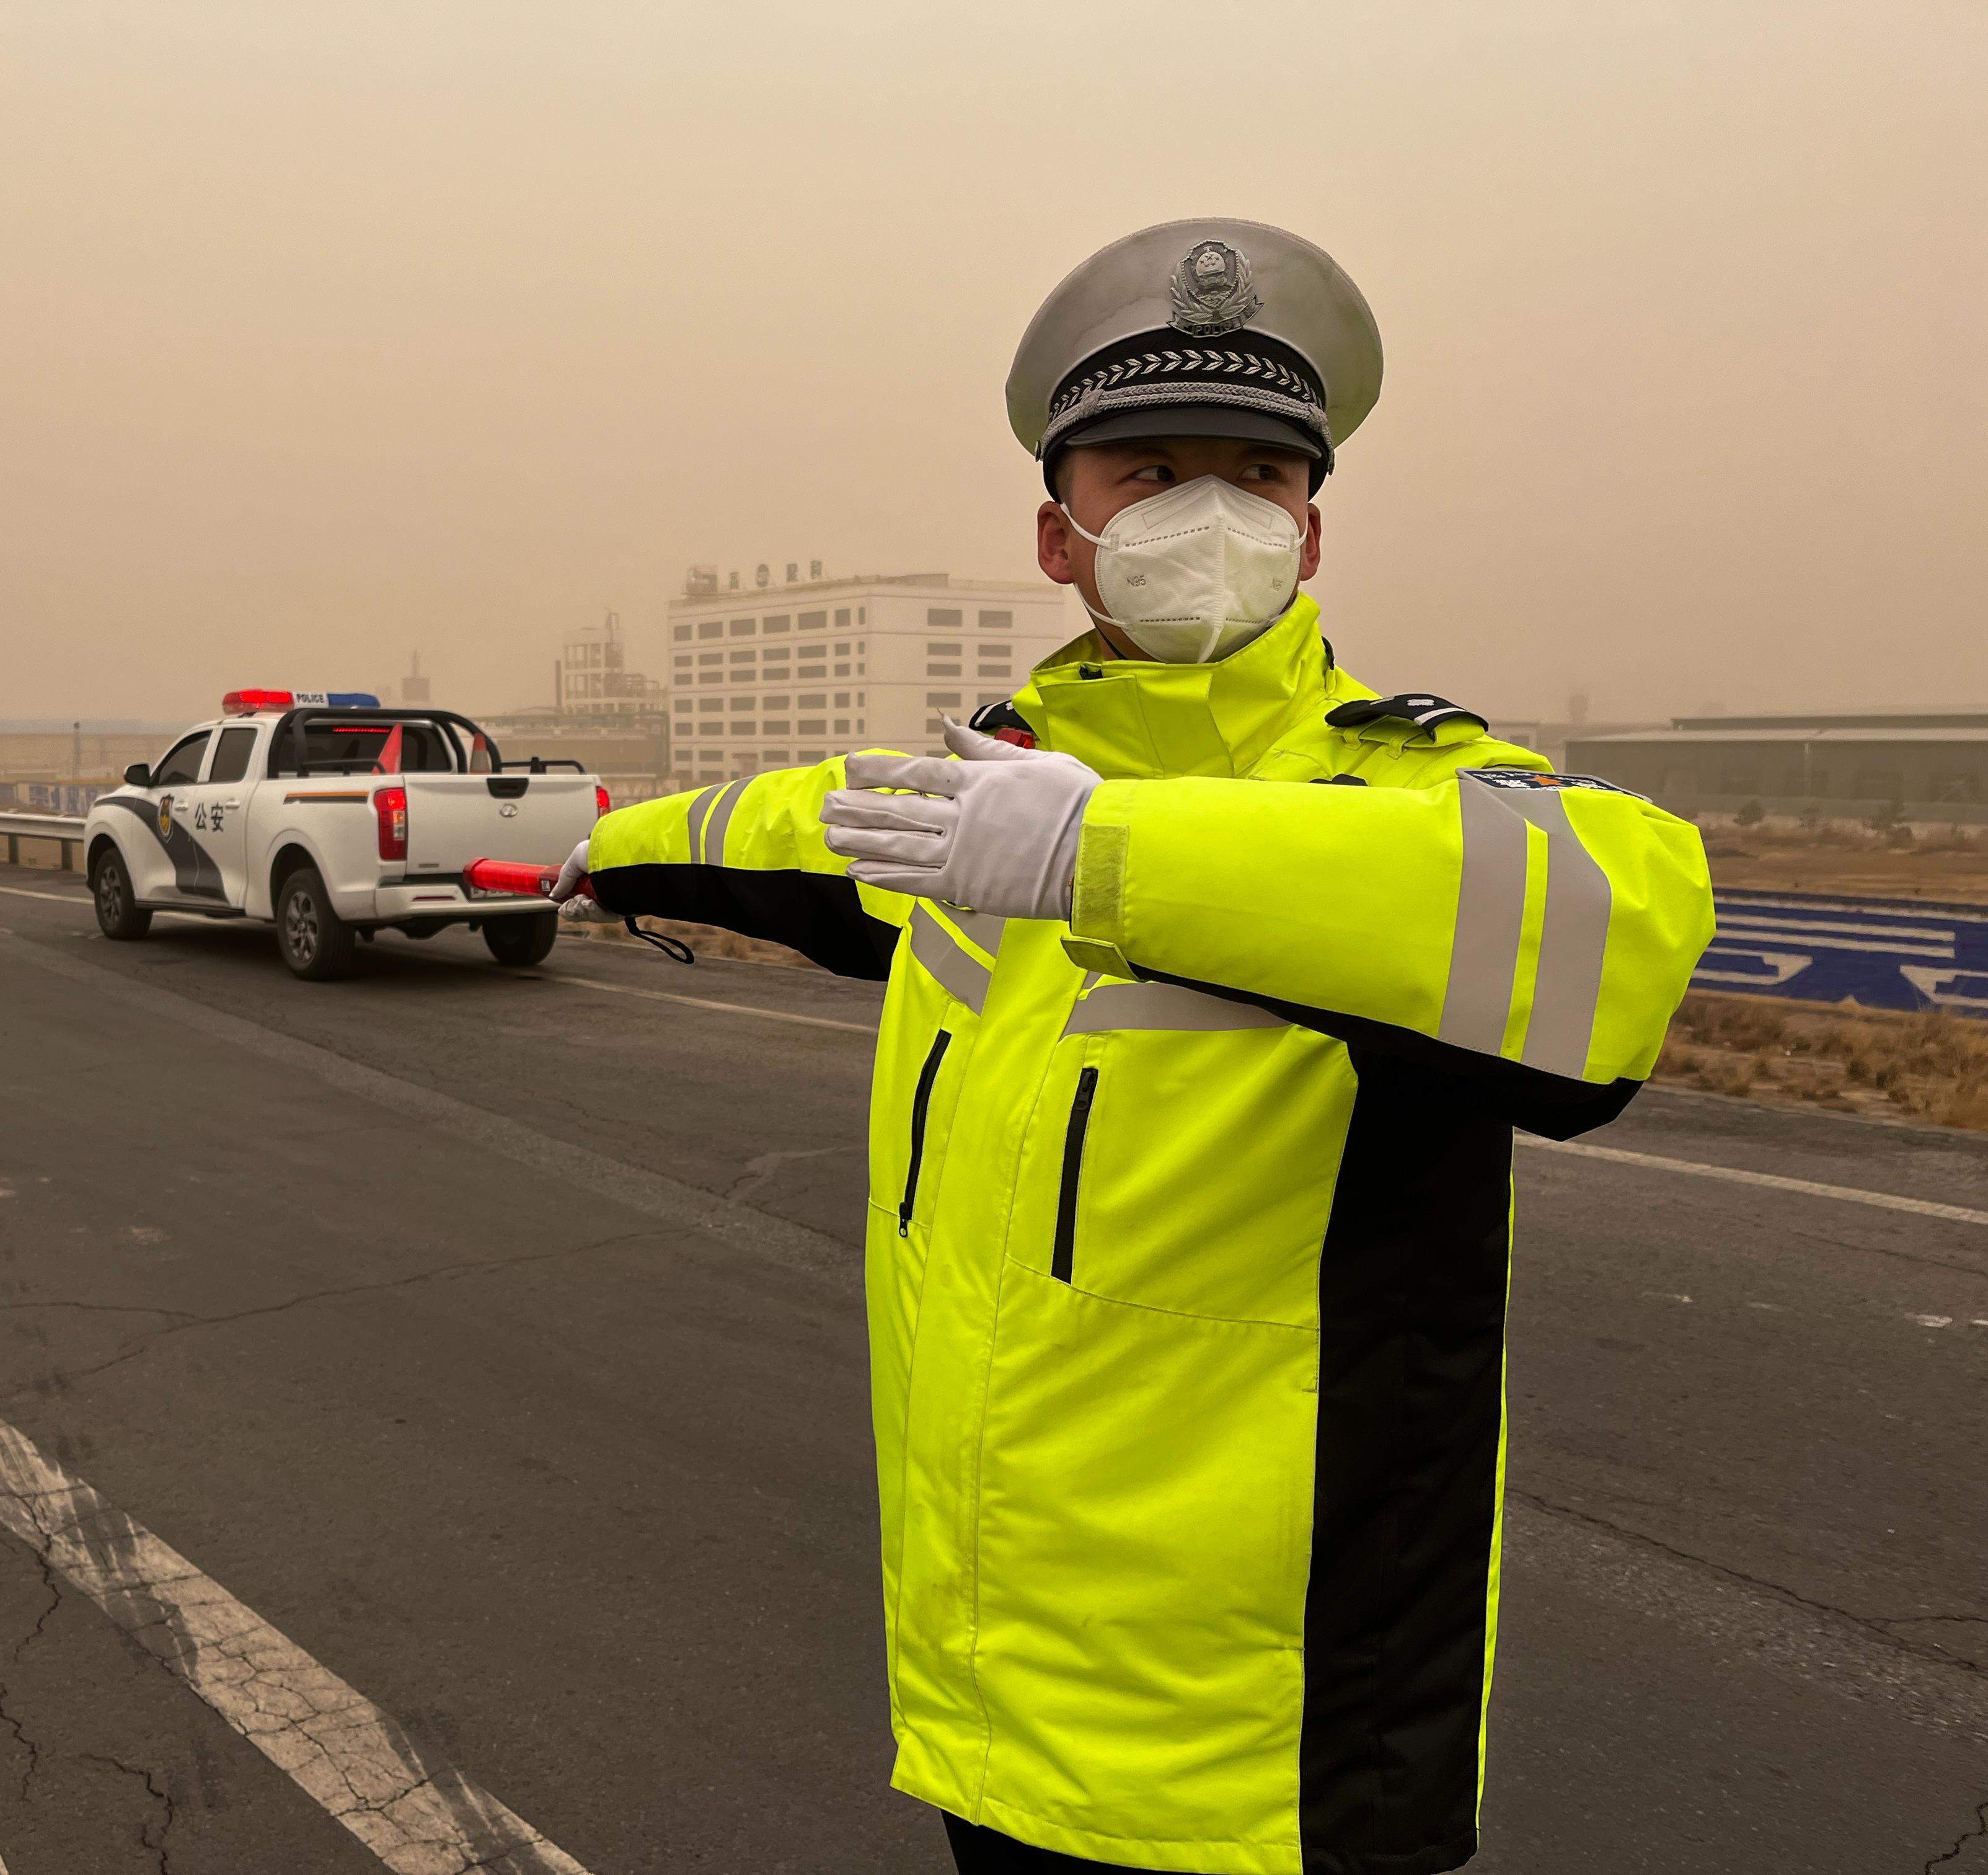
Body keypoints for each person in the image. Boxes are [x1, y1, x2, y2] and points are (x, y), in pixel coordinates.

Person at [549, 219, 1715, 1874]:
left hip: (1260, 1759)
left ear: (1311, 535)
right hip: (990, 1694)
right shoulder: (982, 799)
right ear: (1059, 533)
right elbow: (790, 821)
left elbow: (1621, 920)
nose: (1210, 515)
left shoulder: (1398, 794)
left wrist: (1106, 855)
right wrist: (600, 846)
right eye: (1151, 472)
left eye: (1258, 475)